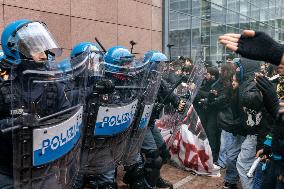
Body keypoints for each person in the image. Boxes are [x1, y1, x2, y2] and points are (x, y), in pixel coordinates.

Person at [0, 19, 82, 188]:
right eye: (36, 49)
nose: (44, 55)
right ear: (16, 48)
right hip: (7, 172)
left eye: (43, 48)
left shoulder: (53, 85)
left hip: (44, 170)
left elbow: (67, 120)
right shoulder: (2, 84)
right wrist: (13, 123)